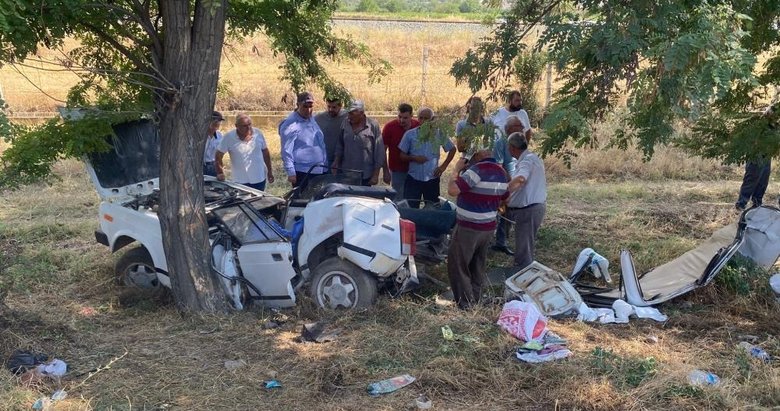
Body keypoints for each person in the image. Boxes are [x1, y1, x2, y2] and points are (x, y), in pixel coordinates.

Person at [446, 148, 509, 309]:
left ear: (477, 155)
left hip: (469, 226)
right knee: (477, 264)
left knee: (458, 264)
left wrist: (456, 170)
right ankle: (476, 298)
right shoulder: (501, 172)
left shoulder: (476, 170)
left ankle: (465, 303)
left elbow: (452, 190)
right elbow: (505, 197)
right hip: (488, 226)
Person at [399, 107, 456, 208]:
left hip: (432, 179)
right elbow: (402, 156)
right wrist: (414, 158)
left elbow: (452, 149)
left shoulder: (439, 134)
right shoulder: (410, 135)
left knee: (432, 208)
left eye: (426, 118)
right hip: (414, 179)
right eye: (420, 118)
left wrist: (443, 167)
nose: (423, 121)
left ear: (432, 119)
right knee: (411, 208)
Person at [505, 132, 547, 270]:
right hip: (531, 208)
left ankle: (523, 274)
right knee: (524, 245)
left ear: (512, 147)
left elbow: (521, 179)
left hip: (528, 210)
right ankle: (523, 270)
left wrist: (503, 192)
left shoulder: (527, 161)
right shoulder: (531, 158)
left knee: (524, 250)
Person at [491, 116, 526, 256]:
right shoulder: (501, 143)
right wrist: (511, 180)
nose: (522, 128)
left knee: (509, 212)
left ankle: (502, 242)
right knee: (500, 211)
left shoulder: (520, 140)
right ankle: (491, 240)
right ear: (510, 128)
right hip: (504, 182)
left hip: (515, 182)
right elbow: (499, 166)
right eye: (519, 125)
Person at [279, 91, 328, 187]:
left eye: (311, 106)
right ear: (298, 105)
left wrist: (325, 164)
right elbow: (286, 150)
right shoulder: (290, 124)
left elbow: (320, 143)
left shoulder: (312, 119)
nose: (308, 110)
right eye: (305, 107)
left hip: (319, 168)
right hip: (302, 171)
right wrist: (291, 172)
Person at [332, 100, 386, 186]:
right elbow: (340, 144)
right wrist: (336, 161)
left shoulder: (373, 125)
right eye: (348, 113)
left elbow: (379, 151)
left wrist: (376, 174)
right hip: (346, 173)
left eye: (352, 114)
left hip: (365, 175)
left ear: (361, 113)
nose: (349, 116)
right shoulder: (345, 123)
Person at [215, 113, 274, 191]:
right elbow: (218, 155)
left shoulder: (258, 133)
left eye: (250, 124)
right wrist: (220, 172)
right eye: (244, 126)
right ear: (236, 126)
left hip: (259, 178)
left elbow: (265, 153)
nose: (248, 128)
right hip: (240, 181)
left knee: (259, 198)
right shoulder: (229, 137)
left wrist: (270, 171)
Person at [382, 103, 419, 199]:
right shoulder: (389, 127)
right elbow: (383, 150)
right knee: (398, 198)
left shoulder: (418, 126)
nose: (402, 120)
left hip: (415, 169)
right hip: (397, 169)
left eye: (405, 118)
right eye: (399, 117)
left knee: (413, 198)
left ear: (411, 116)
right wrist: (385, 171)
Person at [314, 96, 347, 168]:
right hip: (324, 159)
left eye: (334, 107)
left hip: (341, 160)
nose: (331, 109)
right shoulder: (319, 118)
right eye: (329, 106)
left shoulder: (347, 118)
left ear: (340, 106)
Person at [203, 111, 224, 177]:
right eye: (214, 120)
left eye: (219, 121)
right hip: (201, 166)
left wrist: (220, 171)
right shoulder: (201, 136)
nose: (217, 122)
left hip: (214, 166)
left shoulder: (220, 136)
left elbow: (220, 154)